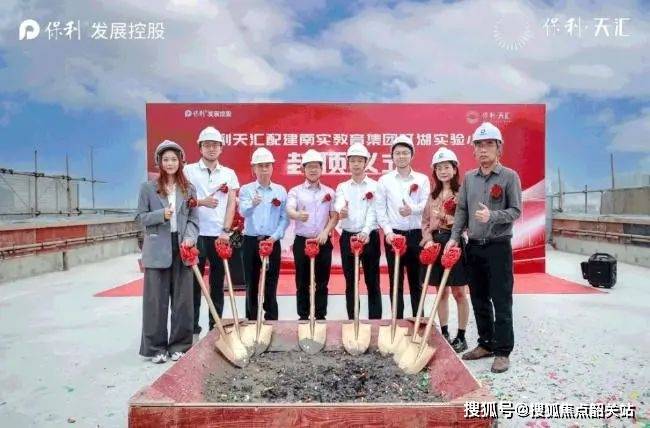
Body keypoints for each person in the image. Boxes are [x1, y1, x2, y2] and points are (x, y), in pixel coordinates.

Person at [446, 122, 522, 373]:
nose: (483, 149)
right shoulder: (469, 178)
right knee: (479, 298)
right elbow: (462, 210)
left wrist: (493, 216)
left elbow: (516, 211)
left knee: (501, 300)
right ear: (473, 150)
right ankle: (486, 344)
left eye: (489, 144)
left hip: (498, 247)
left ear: (499, 148)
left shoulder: (509, 176)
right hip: (474, 247)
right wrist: (454, 237)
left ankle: (503, 351)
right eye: (478, 145)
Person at [136, 140, 198, 363]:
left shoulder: (189, 188)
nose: (170, 163)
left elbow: (193, 219)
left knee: (183, 301)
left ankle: (180, 345)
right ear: (159, 162)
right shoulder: (147, 188)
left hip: (182, 247)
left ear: (181, 162)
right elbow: (140, 218)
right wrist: (160, 215)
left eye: (174, 159)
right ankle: (156, 348)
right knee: (156, 301)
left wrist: (190, 238)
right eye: (166, 159)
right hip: (157, 248)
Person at [184, 126, 239, 335]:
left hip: (219, 235)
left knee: (217, 283)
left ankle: (215, 326)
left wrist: (226, 231)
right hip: (195, 234)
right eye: (207, 145)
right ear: (200, 148)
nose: (211, 148)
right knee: (193, 284)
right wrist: (201, 202)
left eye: (215, 145)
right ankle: (192, 329)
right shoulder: (188, 171)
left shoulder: (229, 174)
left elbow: (231, 203)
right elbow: (182, 201)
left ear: (221, 148)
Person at [421, 147, 470, 353]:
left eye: (447, 167)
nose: (443, 171)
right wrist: (428, 240)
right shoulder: (432, 195)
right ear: (435, 171)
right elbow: (425, 222)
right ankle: (445, 332)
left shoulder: (462, 193)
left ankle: (461, 336)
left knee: (459, 292)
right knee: (441, 292)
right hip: (436, 244)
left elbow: (467, 221)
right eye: (439, 168)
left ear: (455, 169)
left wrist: (448, 219)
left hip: (455, 242)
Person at [376, 134, 430, 319]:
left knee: (417, 282)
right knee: (395, 281)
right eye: (397, 153)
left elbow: (426, 205)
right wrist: (388, 233)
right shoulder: (385, 180)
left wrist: (412, 210)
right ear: (392, 156)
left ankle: (419, 321)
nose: (401, 156)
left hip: (416, 235)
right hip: (394, 236)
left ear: (412, 155)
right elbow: (380, 209)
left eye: (405, 152)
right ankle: (397, 322)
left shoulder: (422, 179)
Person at [286, 149, 338, 320]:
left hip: (322, 241)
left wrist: (326, 232)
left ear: (321, 169)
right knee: (302, 282)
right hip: (302, 242)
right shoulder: (295, 191)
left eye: (316, 166)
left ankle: (321, 316)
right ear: (303, 169)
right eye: (309, 167)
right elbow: (289, 209)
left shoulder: (329, 192)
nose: (313, 170)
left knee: (322, 282)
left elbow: (334, 216)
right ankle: (303, 317)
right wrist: (297, 215)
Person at [238, 148, 289, 321]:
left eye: (267, 165)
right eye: (260, 166)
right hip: (251, 241)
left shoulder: (280, 191)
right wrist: (252, 204)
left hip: (272, 241)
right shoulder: (246, 190)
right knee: (251, 282)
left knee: (271, 282)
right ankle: (252, 320)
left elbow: (284, 218)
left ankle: (271, 319)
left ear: (272, 167)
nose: (264, 169)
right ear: (254, 168)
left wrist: (275, 237)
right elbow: (243, 212)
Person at [334, 143, 382, 320]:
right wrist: (341, 210)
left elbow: (374, 211)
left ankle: (375, 322)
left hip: (370, 238)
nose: (356, 164)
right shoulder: (342, 186)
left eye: (359, 161)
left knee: (373, 281)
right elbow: (339, 202)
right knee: (351, 283)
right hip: (348, 237)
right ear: (348, 163)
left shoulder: (375, 186)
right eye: (352, 160)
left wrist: (366, 231)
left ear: (366, 162)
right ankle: (353, 321)